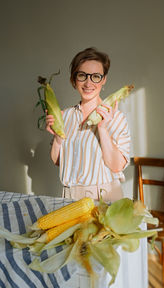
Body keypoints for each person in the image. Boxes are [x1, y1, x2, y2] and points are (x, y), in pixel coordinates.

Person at [46, 47, 131, 202]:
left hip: (104, 197)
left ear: (104, 79)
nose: (88, 82)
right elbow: (59, 162)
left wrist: (103, 129)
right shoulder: (65, 116)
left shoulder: (117, 118)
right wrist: (58, 139)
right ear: (74, 79)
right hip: (69, 196)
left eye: (96, 76)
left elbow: (117, 166)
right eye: (82, 75)